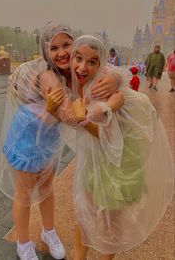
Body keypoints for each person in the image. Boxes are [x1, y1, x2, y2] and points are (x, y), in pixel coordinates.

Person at [0, 22, 121, 260]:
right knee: (24, 192)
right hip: (27, 137)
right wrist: (103, 111)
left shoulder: (72, 71)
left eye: (66, 45)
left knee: (46, 188)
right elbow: (70, 116)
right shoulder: (48, 75)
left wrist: (114, 81)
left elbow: (105, 68)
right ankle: (23, 242)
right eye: (54, 47)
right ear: (46, 51)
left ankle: (48, 231)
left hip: (48, 137)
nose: (62, 52)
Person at [62, 35, 173, 260]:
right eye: (78, 58)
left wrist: (90, 115)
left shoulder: (104, 87)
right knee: (84, 217)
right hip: (95, 163)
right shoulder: (79, 82)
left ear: (100, 63)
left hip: (119, 168)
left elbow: (108, 135)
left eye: (92, 62)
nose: (82, 67)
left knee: (110, 224)